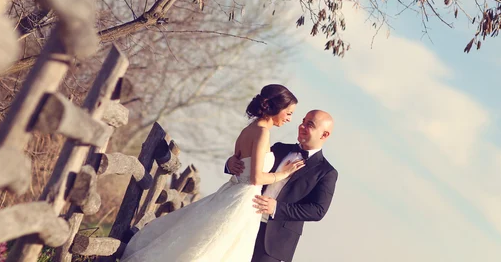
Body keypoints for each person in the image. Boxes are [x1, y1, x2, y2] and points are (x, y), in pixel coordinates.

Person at [120, 84, 304, 262]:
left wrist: (232, 161)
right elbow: (256, 177)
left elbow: (238, 161)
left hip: (232, 192)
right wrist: (282, 174)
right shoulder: (263, 133)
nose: (289, 118)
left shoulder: (248, 129)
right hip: (244, 199)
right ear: (276, 108)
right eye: (288, 113)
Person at [226, 109, 338, 262]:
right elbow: (251, 168)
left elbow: (318, 210)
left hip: (273, 243)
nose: (302, 126)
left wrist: (277, 208)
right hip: (244, 221)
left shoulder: (326, 172)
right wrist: (230, 163)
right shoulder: (279, 148)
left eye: (309, 125)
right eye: (303, 121)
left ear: (324, 135)